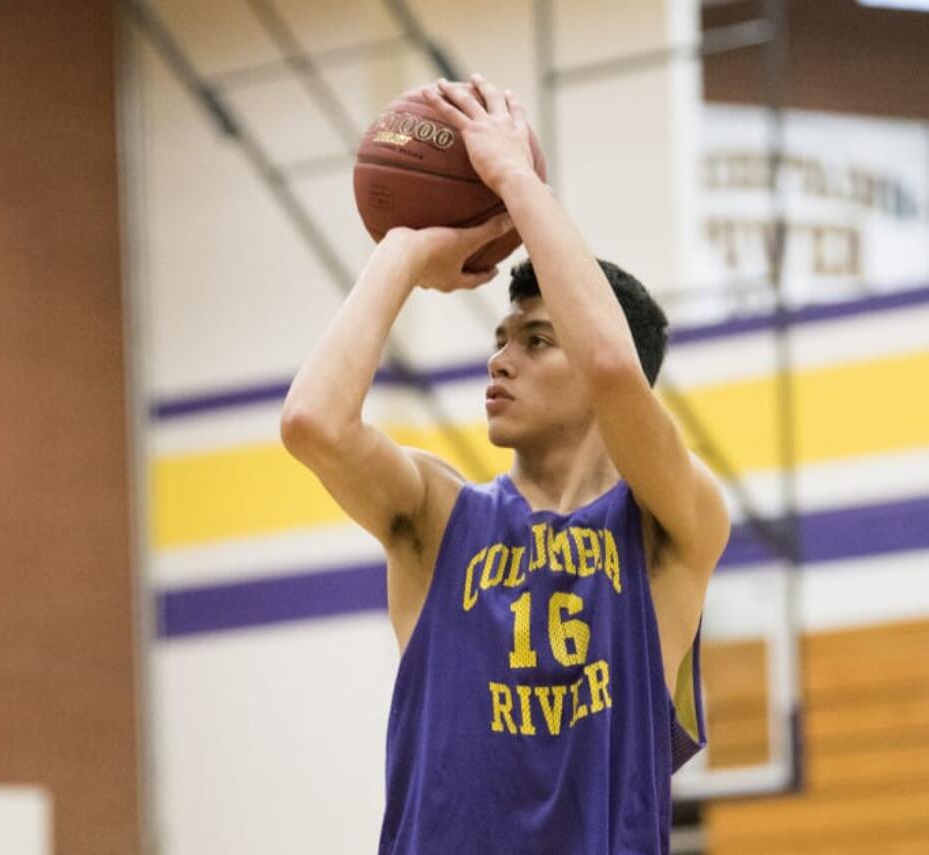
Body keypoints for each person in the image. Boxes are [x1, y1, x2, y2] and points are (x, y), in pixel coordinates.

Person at [279, 73, 731, 854]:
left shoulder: (667, 527)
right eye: (498, 339)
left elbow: (616, 371)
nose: (500, 361)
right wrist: (407, 251)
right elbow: (313, 420)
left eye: (536, 340)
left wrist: (514, 180)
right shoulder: (439, 517)